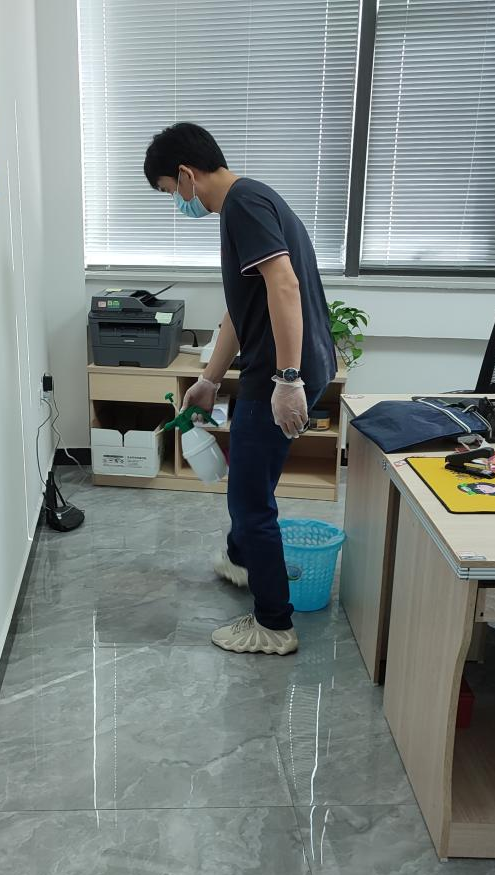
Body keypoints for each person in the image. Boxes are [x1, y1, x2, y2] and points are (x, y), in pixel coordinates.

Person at [143, 122, 336, 656]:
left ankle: (274, 623)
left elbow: (285, 285)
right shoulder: (251, 200)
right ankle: (241, 559)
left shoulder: (243, 205)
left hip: (277, 372)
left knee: (250, 500)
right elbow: (239, 310)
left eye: (171, 191)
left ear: (187, 174)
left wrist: (288, 380)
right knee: (251, 484)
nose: (178, 202)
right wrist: (209, 379)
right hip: (281, 365)